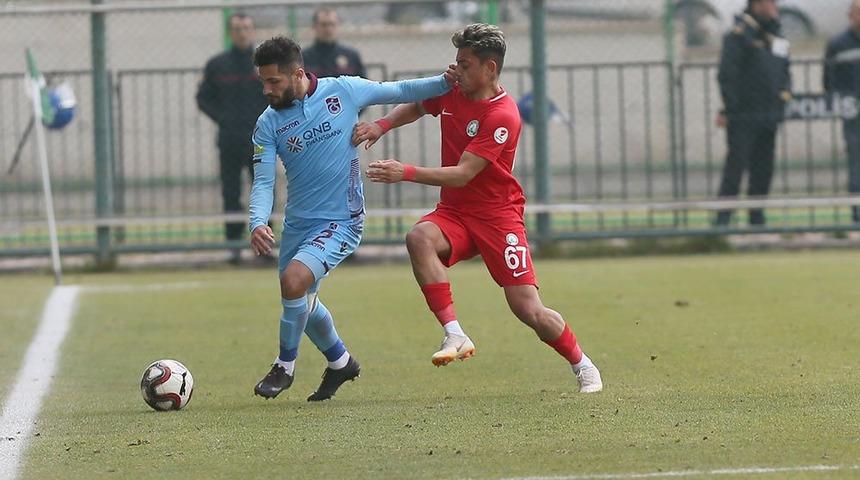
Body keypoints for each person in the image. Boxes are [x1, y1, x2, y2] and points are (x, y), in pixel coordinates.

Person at [353, 24, 603, 394]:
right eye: (456, 62)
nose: (456, 70)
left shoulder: (503, 114)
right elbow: (421, 105)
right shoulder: (454, 89)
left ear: (489, 68)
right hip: (455, 213)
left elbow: (464, 174)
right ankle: (454, 333)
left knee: (528, 310)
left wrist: (404, 172)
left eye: (464, 64)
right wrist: (381, 124)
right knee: (419, 237)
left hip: (497, 217)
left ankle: (582, 364)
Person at [248, 36, 454, 401]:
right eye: (262, 82)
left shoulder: (343, 91)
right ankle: (341, 362)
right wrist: (258, 221)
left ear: (297, 74)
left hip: (341, 221)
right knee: (301, 301)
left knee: (294, 283)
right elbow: (264, 181)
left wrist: (446, 82)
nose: (266, 89)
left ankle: (284, 366)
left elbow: (401, 89)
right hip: (298, 224)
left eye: (273, 82)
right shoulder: (267, 124)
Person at [196, 13, 268, 262]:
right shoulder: (217, 64)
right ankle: (234, 246)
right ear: (230, 32)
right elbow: (203, 98)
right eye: (237, 29)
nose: (242, 33)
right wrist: (223, 118)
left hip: (261, 140)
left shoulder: (264, 63)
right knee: (230, 191)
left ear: (253, 30)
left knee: (263, 190)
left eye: (246, 28)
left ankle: (265, 246)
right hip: (229, 139)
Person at [715, 0, 792, 227]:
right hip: (744, 115)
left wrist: (784, 94)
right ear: (757, 5)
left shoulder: (776, 34)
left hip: (769, 113)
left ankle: (756, 217)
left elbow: (784, 69)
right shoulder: (739, 36)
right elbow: (727, 74)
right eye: (770, 3)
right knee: (736, 168)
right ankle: (723, 219)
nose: (774, 8)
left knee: (763, 168)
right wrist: (732, 107)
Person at [824, 0, 860, 223]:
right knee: (856, 163)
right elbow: (829, 80)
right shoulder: (838, 44)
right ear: (850, 16)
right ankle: (857, 213)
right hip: (853, 115)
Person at [302, 8, 366, 79]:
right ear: (314, 26)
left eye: (332, 24)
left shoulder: (351, 56)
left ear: (338, 25)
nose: (328, 29)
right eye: (324, 25)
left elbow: (364, 84)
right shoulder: (304, 57)